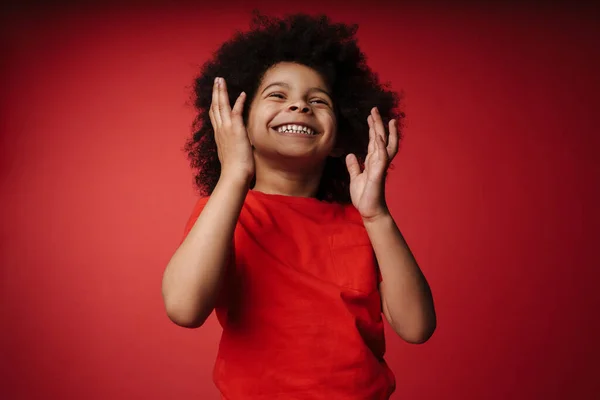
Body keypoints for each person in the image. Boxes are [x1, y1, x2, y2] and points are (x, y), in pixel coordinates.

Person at [162, 12, 436, 400]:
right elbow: (184, 308)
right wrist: (234, 173)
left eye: (318, 101)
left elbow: (417, 327)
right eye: (277, 95)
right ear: (241, 124)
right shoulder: (225, 212)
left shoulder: (363, 222)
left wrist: (377, 214)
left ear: (341, 137)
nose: (299, 107)